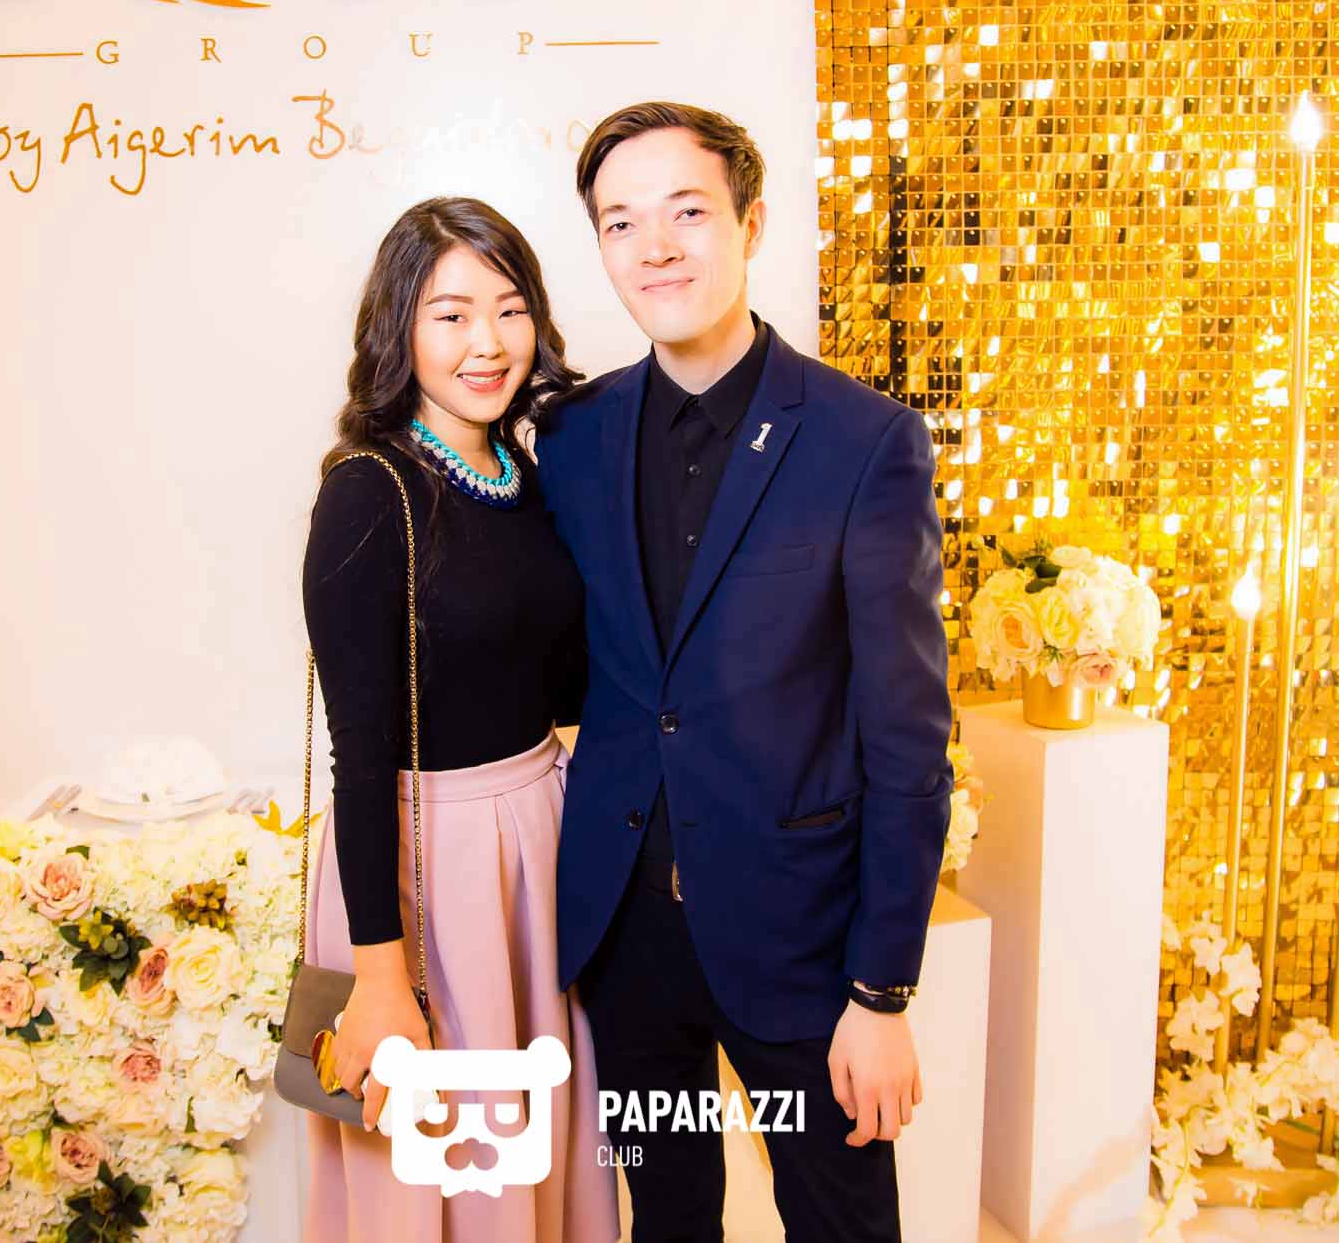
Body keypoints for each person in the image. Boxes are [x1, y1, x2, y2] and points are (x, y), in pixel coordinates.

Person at [538, 102, 953, 1242]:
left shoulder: (865, 441)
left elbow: (909, 741)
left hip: (801, 947)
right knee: (666, 1218)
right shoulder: (571, 438)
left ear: (751, 223)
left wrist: (881, 994)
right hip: (626, 942)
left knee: (839, 1225)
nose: (655, 248)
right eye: (621, 223)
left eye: (686, 212)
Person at [301, 196, 621, 1243]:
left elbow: (556, 684)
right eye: (450, 315)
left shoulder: (525, 473)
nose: (487, 342)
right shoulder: (368, 492)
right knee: (449, 1172)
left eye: (510, 309)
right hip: (427, 864)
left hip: (537, 838)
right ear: (398, 327)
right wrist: (380, 980)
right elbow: (360, 757)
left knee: (537, 1156)